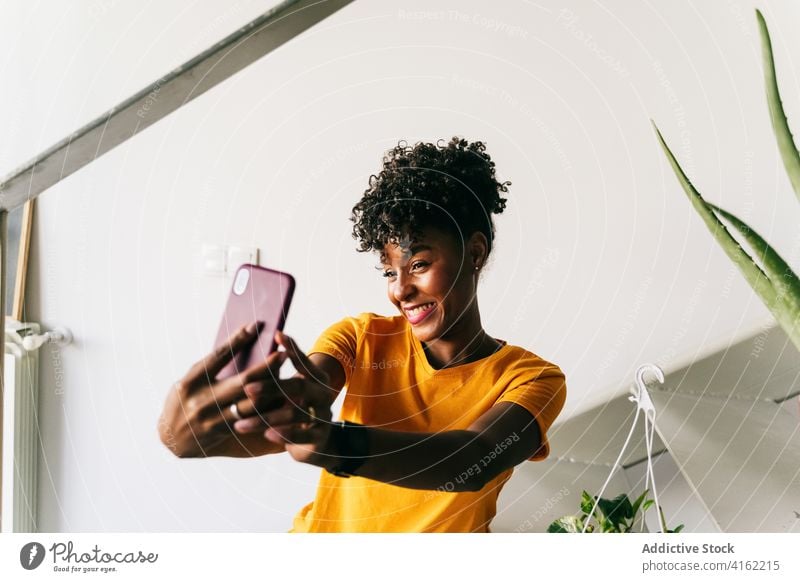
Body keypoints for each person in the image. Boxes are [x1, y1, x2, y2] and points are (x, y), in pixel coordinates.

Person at [158, 136, 567, 532]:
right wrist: (184, 436)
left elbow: (470, 460)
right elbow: (312, 390)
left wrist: (335, 443)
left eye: (419, 264)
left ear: (475, 253)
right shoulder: (361, 336)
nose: (399, 289)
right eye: (390, 271)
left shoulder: (533, 378)